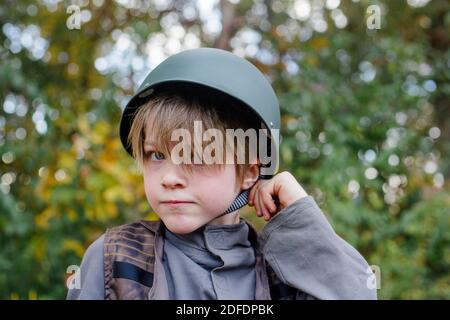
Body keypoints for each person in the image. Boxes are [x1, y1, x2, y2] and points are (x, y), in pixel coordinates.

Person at [67, 48, 377, 300]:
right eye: (156, 155)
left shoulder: (284, 272)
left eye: (197, 155)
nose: (169, 178)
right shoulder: (118, 258)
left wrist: (300, 218)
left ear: (249, 172)